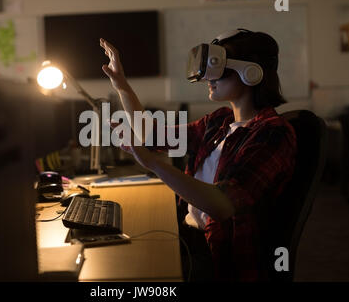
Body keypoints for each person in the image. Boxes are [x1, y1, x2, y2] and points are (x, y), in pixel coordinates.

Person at [99, 29, 297, 281]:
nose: (208, 79)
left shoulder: (273, 134)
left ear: (251, 73)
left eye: (219, 69)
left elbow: (223, 205)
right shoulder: (219, 121)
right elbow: (152, 135)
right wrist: (122, 86)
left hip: (220, 257)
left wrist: (154, 165)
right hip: (189, 234)